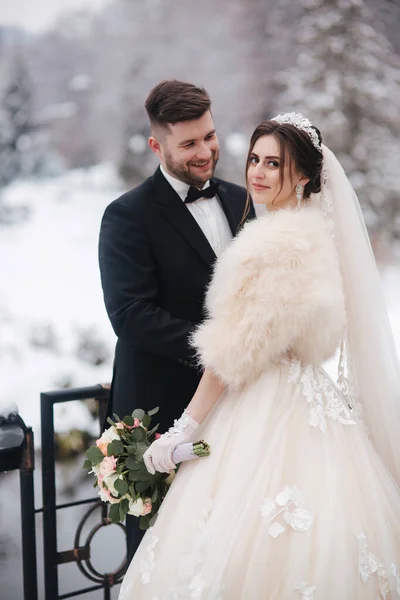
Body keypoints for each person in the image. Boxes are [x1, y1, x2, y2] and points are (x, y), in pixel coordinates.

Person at [118, 113, 400, 599]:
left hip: (262, 408)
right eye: (254, 159)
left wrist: (183, 430)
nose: (258, 172)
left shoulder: (273, 244)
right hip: (313, 402)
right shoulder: (313, 233)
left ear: (306, 175)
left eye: (275, 163)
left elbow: (231, 355)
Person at [98, 80, 255, 560]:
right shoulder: (126, 216)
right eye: (188, 143)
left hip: (241, 410)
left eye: (209, 136)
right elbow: (131, 314)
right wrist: (223, 350)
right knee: (164, 558)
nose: (205, 151)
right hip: (161, 413)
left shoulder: (243, 200)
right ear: (156, 145)